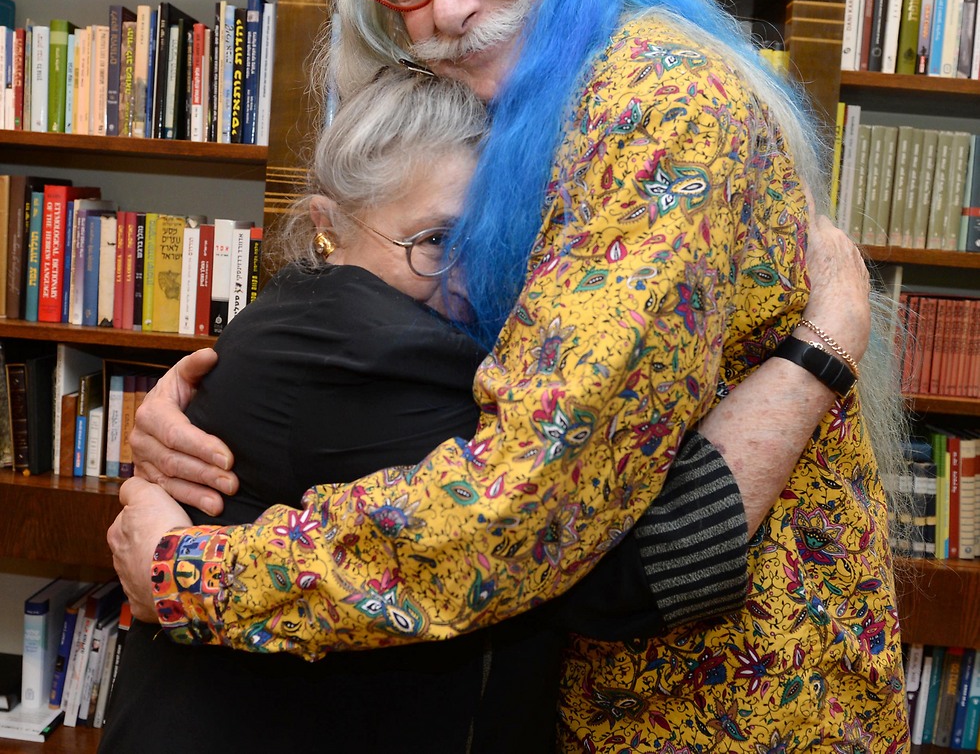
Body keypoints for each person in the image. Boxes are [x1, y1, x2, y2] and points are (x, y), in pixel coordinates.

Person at [109, 0, 909, 750]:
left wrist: (187, 575)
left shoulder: (653, 104)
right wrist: (204, 402)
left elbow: (529, 502)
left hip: (723, 707)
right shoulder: (536, 116)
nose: (446, 8)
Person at [102, 67, 858, 753]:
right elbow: (625, 572)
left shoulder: (316, 315)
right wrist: (819, 353)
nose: (469, 277)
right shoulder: (373, 344)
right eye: (436, 240)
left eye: (499, 241)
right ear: (326, 226)